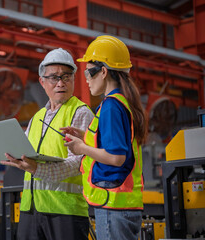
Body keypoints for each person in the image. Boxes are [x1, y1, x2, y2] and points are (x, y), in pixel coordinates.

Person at [0, 48, 94, 240]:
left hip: (66, 211)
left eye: (66, 77)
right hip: (31, 209)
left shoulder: (81, 113)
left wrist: (37, 169)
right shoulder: (37, 118)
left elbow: (79, 163)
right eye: (54, 78)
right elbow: (18, 151)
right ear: (42, 82)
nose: (60, 83)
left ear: (74, 80)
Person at [61, 35, 147, 240]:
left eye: (88, 72)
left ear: (104, 72)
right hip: (120, 204)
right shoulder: (121, 102)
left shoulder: (111, 106)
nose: (86, 79)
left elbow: (116, 157)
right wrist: (83, 136)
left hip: (113, 205)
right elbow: (114, 144)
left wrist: (81, 148)